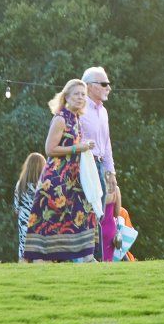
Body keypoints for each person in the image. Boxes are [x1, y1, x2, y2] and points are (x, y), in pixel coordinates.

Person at [24, 79, 101, 262]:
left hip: (74, 177)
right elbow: (50, 149)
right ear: (66, 96)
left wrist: (84, 148)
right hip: (57, 176)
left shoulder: (76, 119)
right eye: (76, 94)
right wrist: (77, 148)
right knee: (50, 216)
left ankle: (87, 256)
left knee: (84, 210)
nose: (80, 98)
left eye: (83, 94)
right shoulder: (60, 119)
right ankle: (39, 257)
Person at [79, 67, 119, 261]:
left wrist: (111, 172)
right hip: (85, 165)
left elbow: (106, 143)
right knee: (86, 211)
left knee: (99, 213)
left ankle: (95, 258)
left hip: (100, 166)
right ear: (89, 86)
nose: (108, 88)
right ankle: (86, 256)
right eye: (104, 84)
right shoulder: (79, 109)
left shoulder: (103, 112)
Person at [14, 153, 45, 262]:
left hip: (24, 223)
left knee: (23, 254)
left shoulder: (20, 184)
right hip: (39, 223)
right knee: (38, 254)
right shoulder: (44, 185)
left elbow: (16, 208)